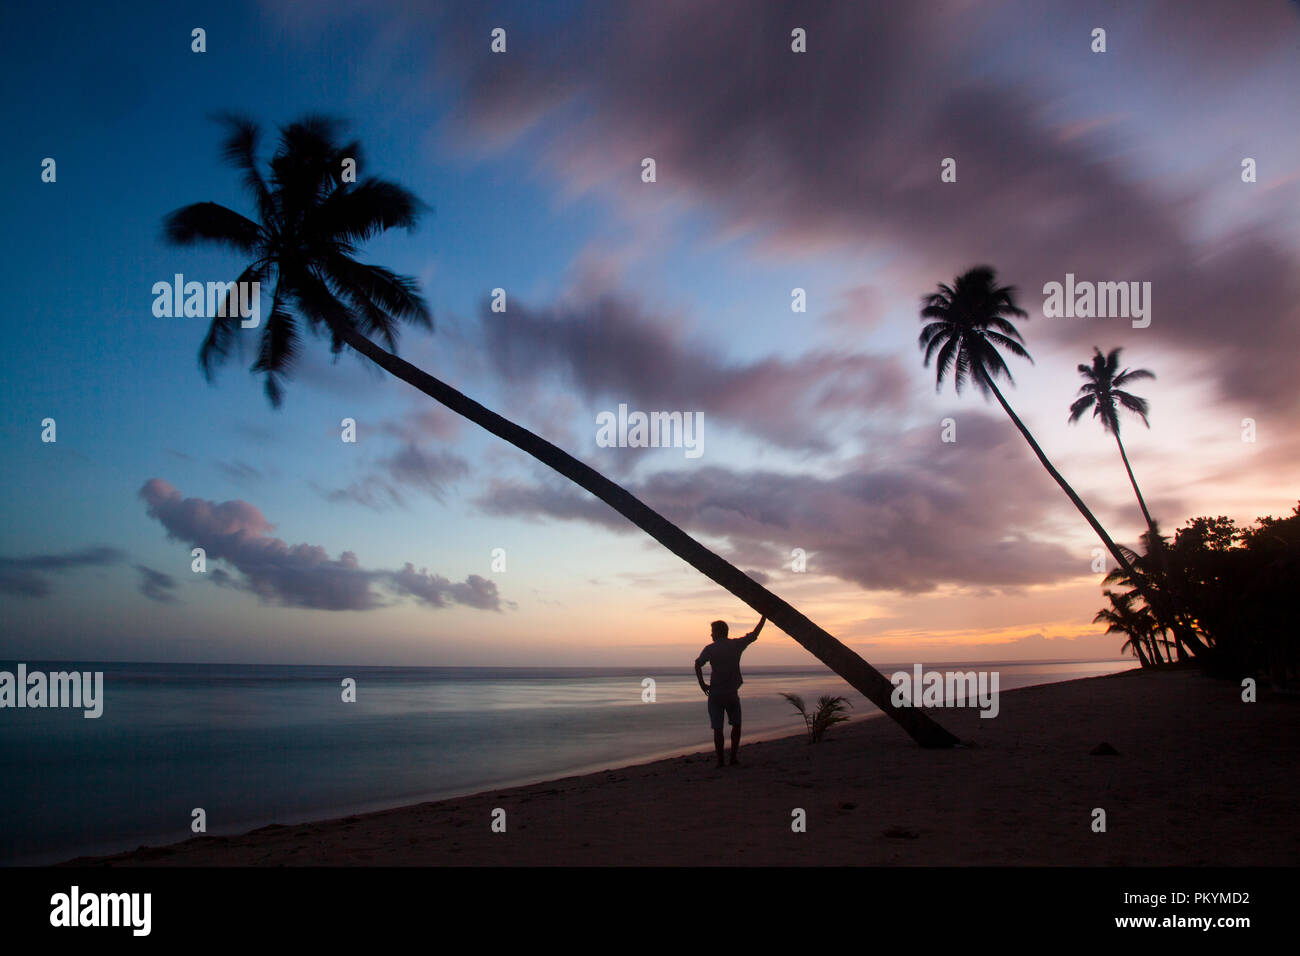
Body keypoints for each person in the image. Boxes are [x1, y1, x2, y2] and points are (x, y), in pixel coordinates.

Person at [695, 614, 766, 767]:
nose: (711, 634)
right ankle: (733, 758)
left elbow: (697, 664)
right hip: (731, 692)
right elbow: (754, 635)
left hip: (715, 693)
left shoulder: (710, 649)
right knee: (736, 725)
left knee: (717, 728)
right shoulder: (735, 645)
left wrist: (702, 684)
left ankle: (721, 761)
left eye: (712, 631)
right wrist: (764, 618)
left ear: (719, 632)